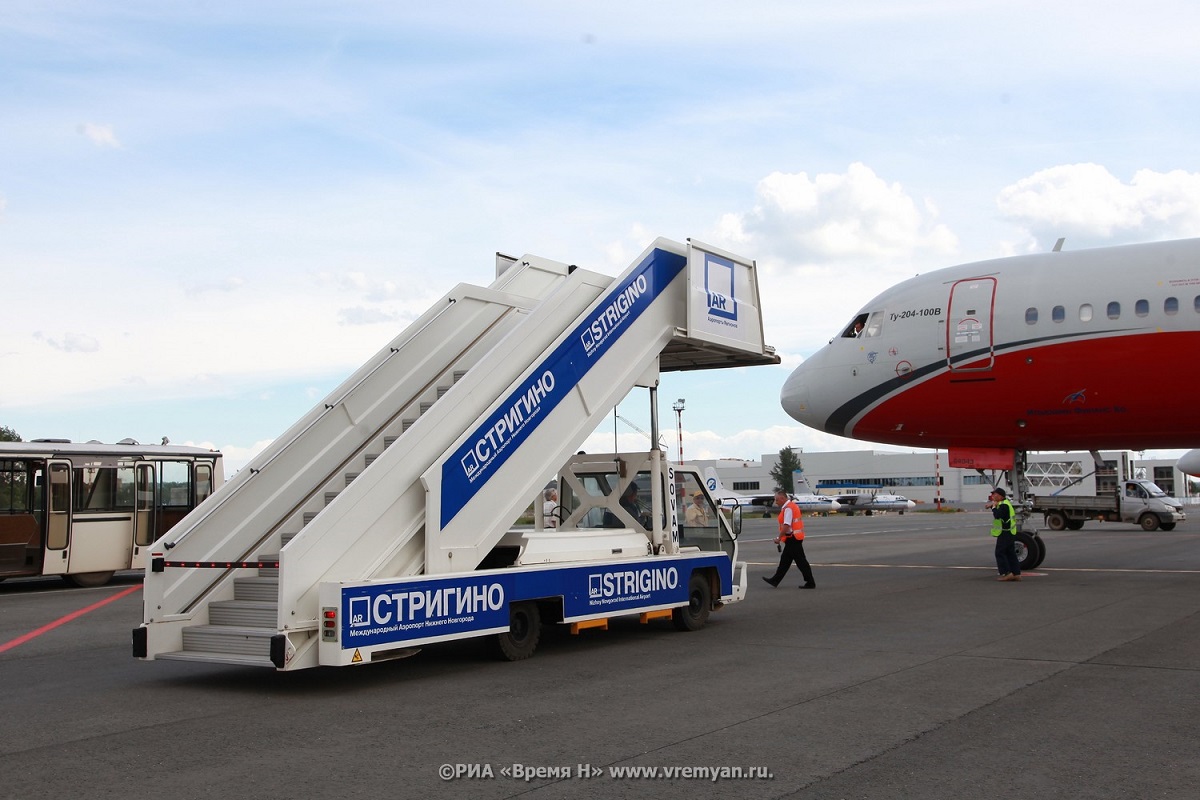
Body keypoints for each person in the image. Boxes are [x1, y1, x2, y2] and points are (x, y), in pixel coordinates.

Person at [763, 489, 816, 589]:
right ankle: (775, 580)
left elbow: (787, 525)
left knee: (800, 562)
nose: (776, 502)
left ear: (782, 498)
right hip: (794, 538)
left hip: (793, 539)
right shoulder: (791, 506)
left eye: (777, 500)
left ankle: (810, 582)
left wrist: (779, 538)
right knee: (786, 561)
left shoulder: (788, 508)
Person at [986, 487, 1021, 581]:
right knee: (1010, 553)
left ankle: (1006, 573)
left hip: (1005, 532)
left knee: (1000, 552)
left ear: (1001, 496)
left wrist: (993, 507)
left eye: (995, 494)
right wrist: (993, 506)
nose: (993, 496)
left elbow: (998, 515)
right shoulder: (1005, 504)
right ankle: (1016, 573)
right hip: (1010, 532)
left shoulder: (1003, 505)